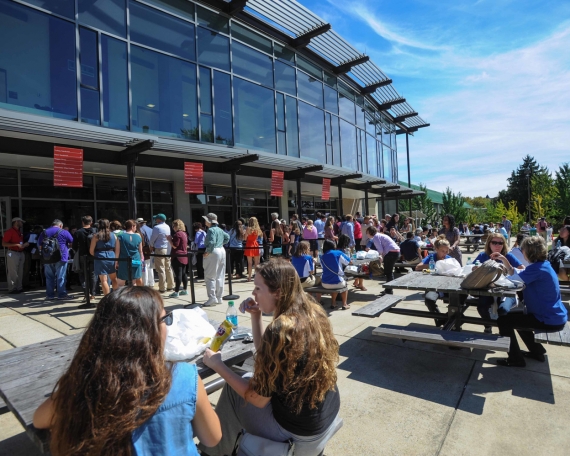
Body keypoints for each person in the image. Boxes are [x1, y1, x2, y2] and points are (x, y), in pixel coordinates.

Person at [33, 287, 222, 454]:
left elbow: (39, 420)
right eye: (165, 319)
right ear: (149, 332)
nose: (167, 326)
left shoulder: (84, 388)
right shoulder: (185, 377)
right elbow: (212, 438)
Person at [199, 260, 341, 456]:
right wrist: (256, 316)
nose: (253, 294)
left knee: (233, 390)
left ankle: (212, 452)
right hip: (323, 417)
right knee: (247, 377)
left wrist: (218, 365)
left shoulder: (281, 328)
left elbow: (257, 400)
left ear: (279, 292)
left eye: (258, 288)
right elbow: (267, 357)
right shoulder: (312, 310)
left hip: (299, 435)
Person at [494, 236, 568, 367]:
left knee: (504, 320)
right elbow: (518, 274)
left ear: (529, 252)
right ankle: (537, 351)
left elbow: (511, 281)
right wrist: (505, 261)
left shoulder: (537, 269)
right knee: (517, 319)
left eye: (523, 250)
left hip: (548, 318)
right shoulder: (542, 265)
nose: (521, 252)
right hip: (554, 316)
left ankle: (515, 359)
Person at [472, 233, 525, 333]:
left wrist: (507, 265)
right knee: (481, 307)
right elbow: (471, 268)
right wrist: (475, 268)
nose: (497, 245)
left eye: (500, 243)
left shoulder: (508, 255)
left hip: (507, 290)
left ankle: (504, 330)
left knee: (503, 310)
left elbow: (522, 269)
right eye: (494, 242)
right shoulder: (483, 255)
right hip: (488, 288)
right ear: (489, 244)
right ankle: (488, 326)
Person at [415, 235, 453, 326]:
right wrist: (433, 265)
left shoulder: (448, 259)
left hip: (447, 285)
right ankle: (441, 319)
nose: (445, 253)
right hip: (433, 285)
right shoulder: (432, 257)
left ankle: (448, 319)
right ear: (437, 249)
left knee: (459, 300)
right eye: (442, 251)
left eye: (446, 251)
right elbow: (417, 267)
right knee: (429, 300)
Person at [37, 219, 75, 301]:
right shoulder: (64, 232)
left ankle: (50, 295)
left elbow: (39, 245)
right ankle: (62, 294)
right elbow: (72, 242)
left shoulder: (44, 232)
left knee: (49, 277)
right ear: (60, 225)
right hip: (61, 257)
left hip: (47, 257)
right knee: (61, 277)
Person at [202, 213, 230, 307]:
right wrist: (222, 243)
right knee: (220, 275)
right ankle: (219, 297)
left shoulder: (210, 230)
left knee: (209, 276)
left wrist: (208, 251)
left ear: (209, 221)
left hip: (214, 251)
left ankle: (212, 298)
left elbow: (211, 242)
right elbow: (227, 237)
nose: (205, 221)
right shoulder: (220, 229)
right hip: (222, 250)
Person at [88, 219, 118, 299]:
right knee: (114, 279)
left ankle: (107, 298)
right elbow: (116, 247)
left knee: (103, 280)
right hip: (111, 256)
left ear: (99, 225)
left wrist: (97, 255)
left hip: (100, 257)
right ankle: (116, 297)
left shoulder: (96, 236)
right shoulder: (113, 235)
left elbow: (91, 250)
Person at [366, 226, 400, 294]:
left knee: (388, 272)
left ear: (370, 232)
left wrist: (373, 252)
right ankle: (388, 290)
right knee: (389, 272)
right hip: (395, 252)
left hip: (391, 253)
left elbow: (380, 250)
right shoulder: (379, 235)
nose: (366, 234)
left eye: (367, 233)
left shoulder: (375, 237)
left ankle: (389, 291)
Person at [72, 215, 98, 300]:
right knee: (93, 275)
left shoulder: (78, 232)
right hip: (94, 255)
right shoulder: (95, 231)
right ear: (91, 222)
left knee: (82, 274)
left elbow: (74, 246)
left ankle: (86, 293)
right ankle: (93, 294)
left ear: (82, 222)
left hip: (82, 255)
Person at [319, 239, 351, 309]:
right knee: (344, 285)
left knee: (335, 282)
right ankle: (344, 304)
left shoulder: (322, 256)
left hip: (325, 284)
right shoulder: (338, 253)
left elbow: (322, 267)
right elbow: (348, 261)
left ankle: (333, 303)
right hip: (338, 282)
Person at [2, 217, 28, 294]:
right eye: (21, 222)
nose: (22, 223)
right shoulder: (10, 232)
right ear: (16, 222)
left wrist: (24, 245)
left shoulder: (19, 232)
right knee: (12, 271)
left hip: (20, 252)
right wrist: (16, 245)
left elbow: (19, 243)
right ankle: (12, 288)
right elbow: (4, 244)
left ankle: (19, 287)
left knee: (20, 271)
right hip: (12, 252)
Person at [150, 214, 175, 292]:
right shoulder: (167, 226)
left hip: (160, 248)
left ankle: (162, 287)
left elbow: (152, 238)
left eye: (156, 219)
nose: (155, 220)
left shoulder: (156, 227)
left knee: (161, 269)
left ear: (159, 220)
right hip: (167, 248)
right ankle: (171, 285)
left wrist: (151, 245)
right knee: (168, 267)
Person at [115, 220, 143, 287]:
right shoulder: (138, 237)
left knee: (120, 283)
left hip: (123, 260)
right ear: (132, 226)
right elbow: (140, 251)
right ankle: (133, 296)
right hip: (136, 260)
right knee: (134, 282)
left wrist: (116, 261)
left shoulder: (120, 236)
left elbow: (117, 251)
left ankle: (121, 297)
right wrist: (141, 260)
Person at [167, 219, 189, 298]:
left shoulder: (177, 234)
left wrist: (169, 239)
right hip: (184, 255)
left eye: (174, 226)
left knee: (178, 274)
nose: (173, 228)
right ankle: (185, 289)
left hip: (177, 256)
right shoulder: (184, 233)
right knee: (183, 273)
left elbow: (175, 246)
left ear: (176, 226)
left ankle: (176, 292)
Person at [244, 217, 262, 282]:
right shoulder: (257, 229)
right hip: (255, 244)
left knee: (249, 263)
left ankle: (249, 277)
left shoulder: (248, 229)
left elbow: (245, 238)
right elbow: (259, 236)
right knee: (257, 262)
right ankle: (257, 277)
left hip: (249, 245)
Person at [137, 218, 154, 287]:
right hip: (150, 248)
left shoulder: (140, 230)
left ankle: (145, 282)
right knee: (150, 265)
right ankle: (151, 282)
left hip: (144, 248)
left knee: (144, 266)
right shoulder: (150, 229)